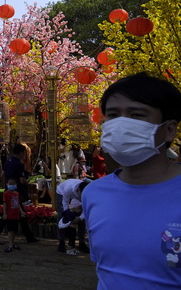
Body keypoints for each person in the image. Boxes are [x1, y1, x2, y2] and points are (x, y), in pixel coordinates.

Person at [83, 73, 181, 288]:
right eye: (113, 115)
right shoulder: (93, 193)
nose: (122, 125)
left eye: (136, 115)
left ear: (169, 129)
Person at [0, 143, 38, 244]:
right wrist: (26, 182)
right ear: (20, 153)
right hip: (16, 193)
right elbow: (22, 180)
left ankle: (29, 237)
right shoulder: (19, 164)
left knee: (18, 213)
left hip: (8, 190)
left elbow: (2, 175)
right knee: (14, 214)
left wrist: (7, 184)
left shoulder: (7, 162)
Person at [56, 178, 90, 253]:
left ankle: (82, 242)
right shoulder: (68, 189)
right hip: (61, 193)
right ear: (79, 190)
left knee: (82, 219)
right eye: (82, 195)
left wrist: (80, 218)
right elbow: (65, 204)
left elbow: (86, 208)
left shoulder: (88, 192)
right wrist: (68, 215)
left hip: (73, 195)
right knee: (62, 216)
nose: (83, 197)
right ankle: (61, 241)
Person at [2, 178, 25, 253]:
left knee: (14, 230)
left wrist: (21, 212)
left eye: (13, 184)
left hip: (16, 215)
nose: (12, 185)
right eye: (10, 184)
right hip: (10, 215)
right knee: (10, 230)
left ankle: (13, 242)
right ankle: (10, 245)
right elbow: (5, 204)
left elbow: (18, 204)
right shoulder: (6, 194)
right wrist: (5, 213)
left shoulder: (16, 194)